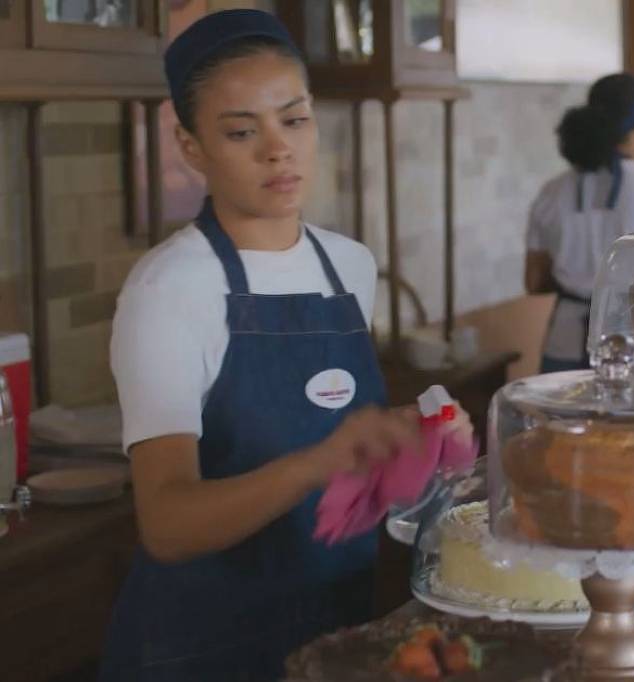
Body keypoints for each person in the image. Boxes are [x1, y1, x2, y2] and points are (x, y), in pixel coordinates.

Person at [99, 10, 470, 680]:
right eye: (242, 131)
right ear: (190, 146)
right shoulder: (169, 289)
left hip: (339, 628)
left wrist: (421, 443)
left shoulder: (350, 266)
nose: (278, 149)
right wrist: (315, 462)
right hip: (208, 648)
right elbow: (167, 522)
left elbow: (355, 483)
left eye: (294, 120)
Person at [525, 73, 634, 373]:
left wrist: (582, 282)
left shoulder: (552, 192)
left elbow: (534, 281)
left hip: (564, 342)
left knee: (568, 419)